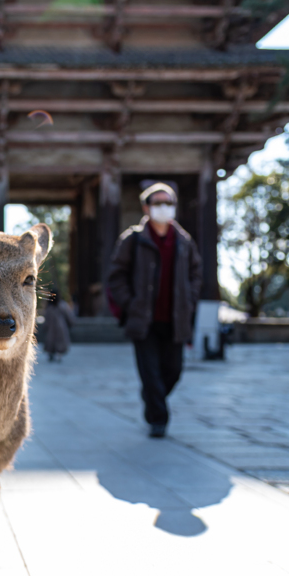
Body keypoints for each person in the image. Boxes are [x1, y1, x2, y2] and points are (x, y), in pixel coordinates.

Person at [106, 181, 202, 438]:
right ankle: (158, 419)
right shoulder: (133, 240)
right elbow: (116, 276)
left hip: (175, 318)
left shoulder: (184, 241)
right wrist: (129, 303)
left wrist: (190, 300)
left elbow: (195, 273)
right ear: (146, 207)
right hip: (144, 320)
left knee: (174, 371)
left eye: (168, 203)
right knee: (150, 373)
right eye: (158, 203)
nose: (164, 208)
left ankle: (152, 396)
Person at [42, 289, 75, 362]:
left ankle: (54, 354)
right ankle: (57, 355)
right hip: (60, 327)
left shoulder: (50, 307)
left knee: (52, 341)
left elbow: (46, 320)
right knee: (58, 342)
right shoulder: (62, 305)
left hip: (52, 328)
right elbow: (69, 316)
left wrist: (45, 327)